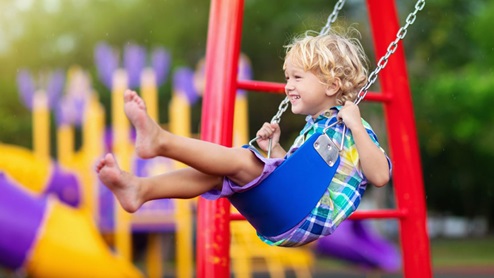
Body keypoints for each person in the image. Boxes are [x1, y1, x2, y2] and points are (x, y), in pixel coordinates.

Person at [96, 29, 391, 247]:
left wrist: (357, 126)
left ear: (332, 86)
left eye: (297, 78)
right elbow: (299, 178)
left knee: (241, 159)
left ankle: (161, 141)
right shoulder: (316, 128)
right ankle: (141, 189)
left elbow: (379, 175)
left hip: (306, 215)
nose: (287, 86)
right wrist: (274, 150)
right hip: (287, 212)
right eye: (287, 77)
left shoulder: (350, 128)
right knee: (218, 174)